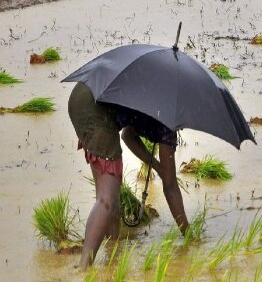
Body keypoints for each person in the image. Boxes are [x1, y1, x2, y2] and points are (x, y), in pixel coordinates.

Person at [68, 82, 189, 269]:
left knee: (112, 199)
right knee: (105, 200)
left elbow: (128, 136)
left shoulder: (155, 95)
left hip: (82, 95)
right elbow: (170, 185)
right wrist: (188, 235)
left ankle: (113, 255)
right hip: (95, 110)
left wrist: (155, 166)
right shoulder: (167, 124)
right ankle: (83, 267)